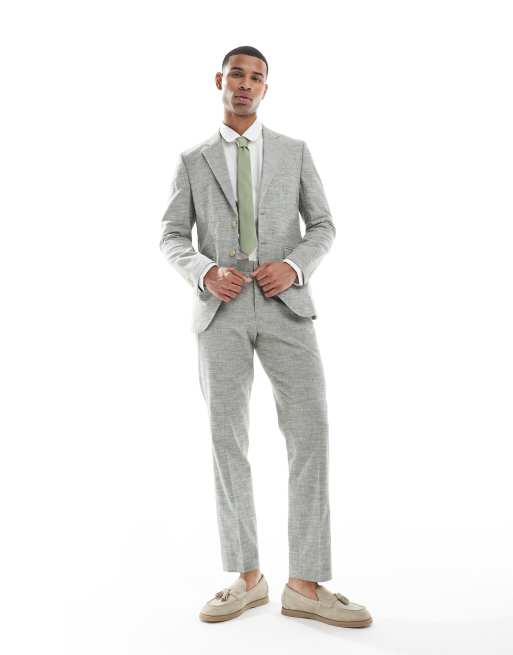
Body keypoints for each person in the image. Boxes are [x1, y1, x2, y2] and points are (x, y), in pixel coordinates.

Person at [159, 45, 372, 628]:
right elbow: (172, 234)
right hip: (220, 313)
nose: (245, 84)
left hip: (287, 308)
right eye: (237, 74)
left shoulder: (294, 151)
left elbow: (323, 225)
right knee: (226, 440)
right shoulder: (193, 159)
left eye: (256, 77)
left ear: (265, 88)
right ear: (220, 81)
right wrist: (205, 270)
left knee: (311, 432)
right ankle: (247, 577)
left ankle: (305, 583)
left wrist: (295, 265)